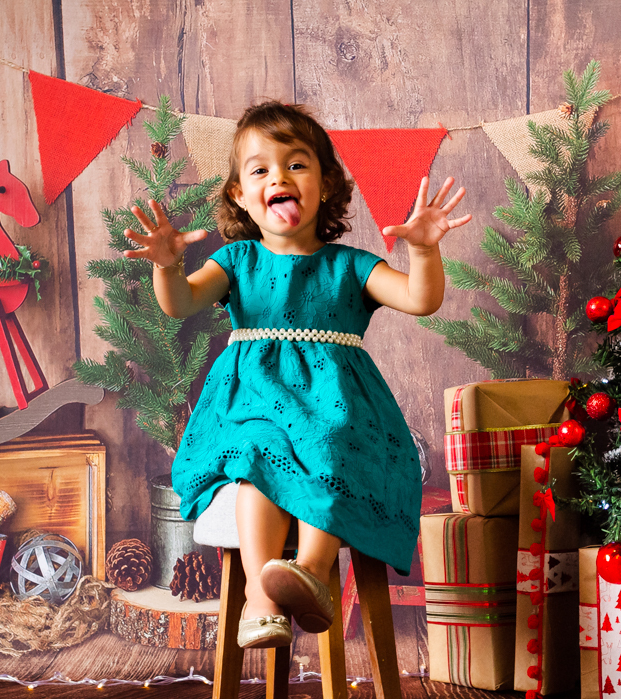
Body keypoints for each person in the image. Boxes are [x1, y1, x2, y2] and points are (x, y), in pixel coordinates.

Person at [123, 100, 471, 648]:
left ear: (327, 184)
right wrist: (167, 266)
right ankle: (263, 603)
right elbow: (180, 305)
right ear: (240, 195)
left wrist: (424, 252)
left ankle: (308, 572)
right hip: (253, 406)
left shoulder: (350, 266)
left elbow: (419, 299)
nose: (279, 177)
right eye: (260, 169)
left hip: (334, 412)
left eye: (297, 164)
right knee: (256, 454)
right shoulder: (237, 262)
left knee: (331, 447)